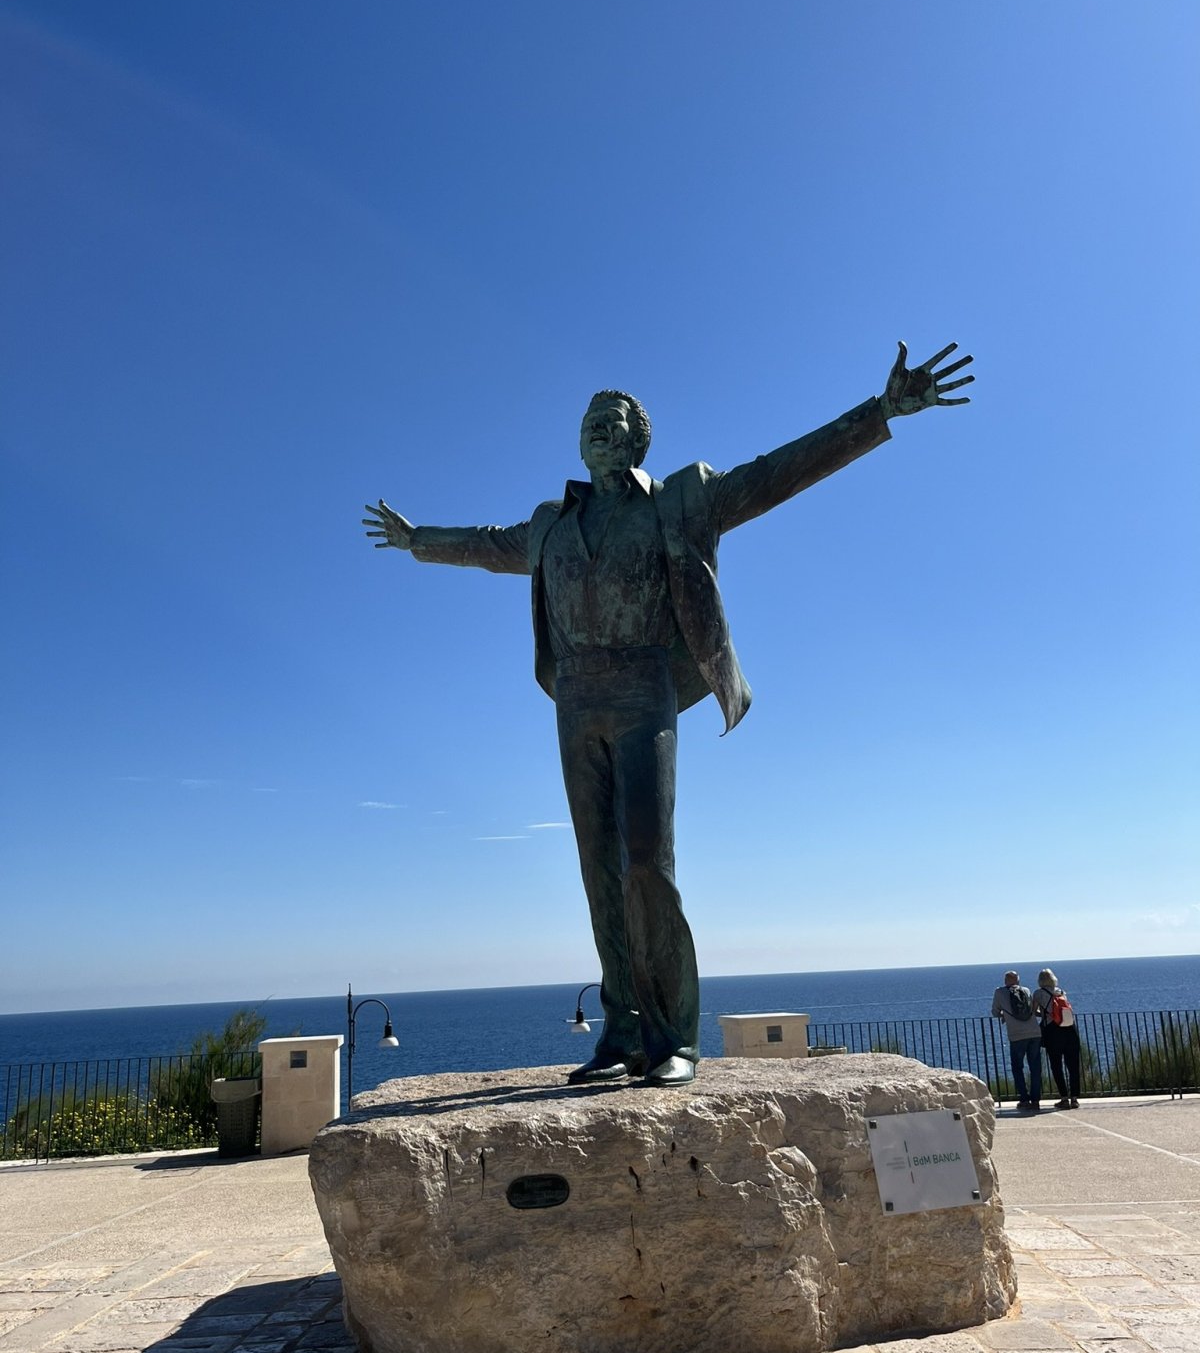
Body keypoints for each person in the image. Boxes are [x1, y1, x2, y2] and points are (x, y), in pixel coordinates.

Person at [364, 342, 974, 1087]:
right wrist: (416, 540)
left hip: (644, 688)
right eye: (590, 420)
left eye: (613, 420)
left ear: (638, 439)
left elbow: (775, 474)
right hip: (575, 699)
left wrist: (877, 413)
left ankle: (672, 1036)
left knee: (648, 863)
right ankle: (620, 1032)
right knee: (599, 874)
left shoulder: (682, 499)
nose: (599, 428)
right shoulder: (551, 522)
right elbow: (488, 547)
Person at [992, 970, 1043, 1110]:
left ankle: (1024, 1099)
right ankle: (1036, 1100)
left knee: (1017, 1067)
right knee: (1035, 1067)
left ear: (1005, 980)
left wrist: (1003, 1014)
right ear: (1018, 980)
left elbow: (995, 1011)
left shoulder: (999, 992)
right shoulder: (1026, 990)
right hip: (1034, 1032)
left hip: (1016, 1035)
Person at [1033, 967, 1081, 1109]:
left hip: (1053, 1030)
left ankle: (1064, 1097)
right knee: (1073, 1065)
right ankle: (1075, 1098)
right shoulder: (1061, 992)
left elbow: (1033, 1011)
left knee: (1056, 1065)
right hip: (1069, 1029)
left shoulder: (1038, 993)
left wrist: (1043, 1013)